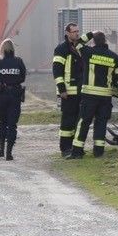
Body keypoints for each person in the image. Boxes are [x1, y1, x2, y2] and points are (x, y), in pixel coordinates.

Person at [68, 31, 118, 159]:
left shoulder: (88, 52)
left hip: (89, 95)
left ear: (93, 41)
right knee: (101, 123)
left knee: (84, 122)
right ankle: (98, 152)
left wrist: (90, 34)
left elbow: (77, 43)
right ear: (105, 41)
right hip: (105, 96)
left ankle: (77, 151)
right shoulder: (114, 57)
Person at [52, 22, 84, 156]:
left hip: (80, 91)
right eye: (74, 31)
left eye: (78, 31)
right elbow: (57, 71)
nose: (76, 33)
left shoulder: (79, 47)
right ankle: (65, 148)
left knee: (78, 120)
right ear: (67, 33)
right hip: (68, 92)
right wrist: (62, 89)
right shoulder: (61, 49)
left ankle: (75, 148)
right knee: (67, 121)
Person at [0, 38, 27, 161]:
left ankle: (1, 148)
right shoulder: (19, 62)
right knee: (12, 125)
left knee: (2, 123)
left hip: (2, 95)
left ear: (2, 49)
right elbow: (23, 77)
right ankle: (9, 153)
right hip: (15, 95)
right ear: (13, 49)